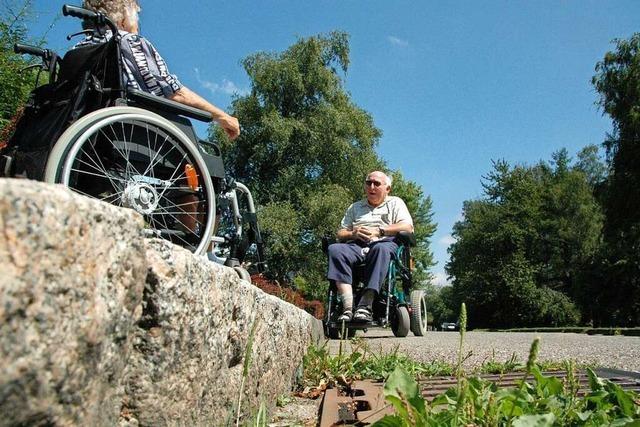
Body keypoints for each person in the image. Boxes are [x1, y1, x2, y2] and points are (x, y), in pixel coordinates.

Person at [78, 0, 240, 140]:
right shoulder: (128, 42)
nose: (138, 23)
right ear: (122, 19)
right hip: (130, 132)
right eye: (136, 16)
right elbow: (174, 93)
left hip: (88, 136)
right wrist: (222, 117)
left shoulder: (78, 49)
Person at [327, 171, 414, 323]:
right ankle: (347, 307)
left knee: (380, 249)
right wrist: (353, 233)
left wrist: (380, 231)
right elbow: (340, 233)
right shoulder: (355, 207)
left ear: (387, 189)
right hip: (357, 244)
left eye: (376, 183)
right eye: (368, 183)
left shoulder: (396, 203)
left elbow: (407, 227)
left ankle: (365, 305)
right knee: (335, 249)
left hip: (384, 243)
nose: (371, 187)